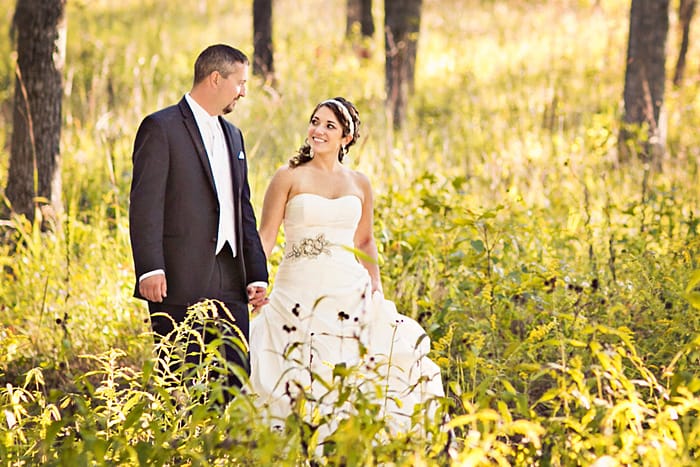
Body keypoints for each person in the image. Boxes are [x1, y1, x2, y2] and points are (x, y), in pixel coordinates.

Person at [249, 97, 445, 435]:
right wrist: (256, 278)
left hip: (348, 289)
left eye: (329, 126)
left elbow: (365, 241)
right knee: (293, 370)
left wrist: (376, 289)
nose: (318, 130)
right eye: (315, 121)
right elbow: (265, 237)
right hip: (297, 288)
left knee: (367, 367)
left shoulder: (359, 183)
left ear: (346, 138)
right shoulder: (287, 176)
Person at [129, 44, 268, 398]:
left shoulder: (234, 135)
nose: (244, 91)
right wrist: (149, 268)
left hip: (230, 273)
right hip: (177, 275)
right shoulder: (160, 127)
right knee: (179, 373)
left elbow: (243, 209)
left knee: (236, 370)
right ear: (216, 78)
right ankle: (181, 450)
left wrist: (256, 274)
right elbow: (145, 204)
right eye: (240, 82)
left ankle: (220, 446)